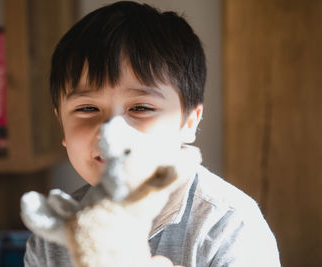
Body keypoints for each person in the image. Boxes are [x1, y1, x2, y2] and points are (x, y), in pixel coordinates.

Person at [24, 1, 281, 266]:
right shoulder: (53, 232)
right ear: (62, 124)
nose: (111, 131)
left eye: (141, 108)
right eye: (87, 108)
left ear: (188, 122)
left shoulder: (227, 224)